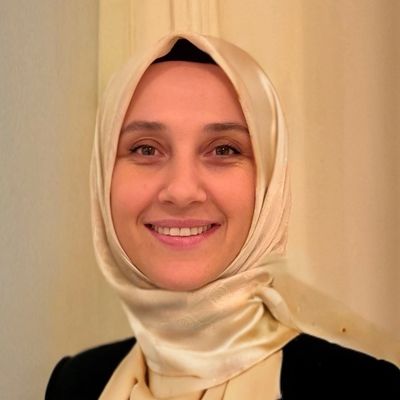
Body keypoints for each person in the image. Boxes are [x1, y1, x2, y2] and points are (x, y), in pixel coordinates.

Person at [46, 33, 400, 399]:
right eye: (146, 149)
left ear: (269, 183)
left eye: (224, 150)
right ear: (104, 174)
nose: (182, 191)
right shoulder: (74, 383)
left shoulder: (365, 390)